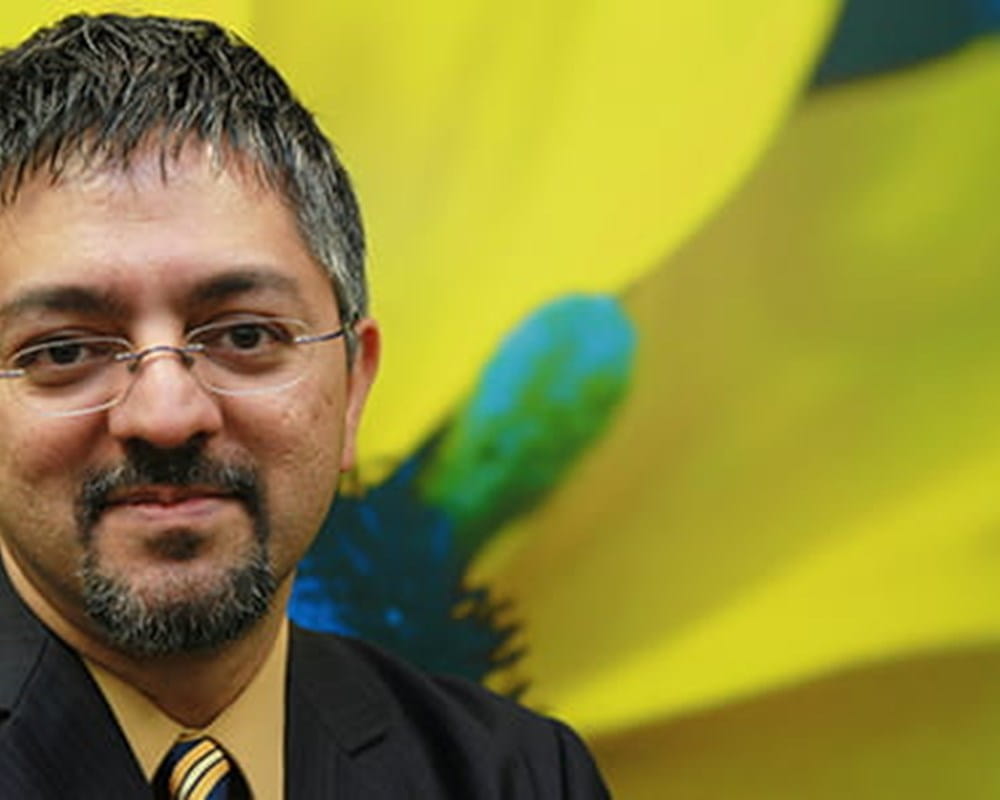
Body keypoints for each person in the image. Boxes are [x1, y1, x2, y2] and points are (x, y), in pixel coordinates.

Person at [0, 13, 610, 799]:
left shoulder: (520, 776)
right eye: (63, 352)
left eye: (245, 335)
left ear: (353, 387)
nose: (167, 414)